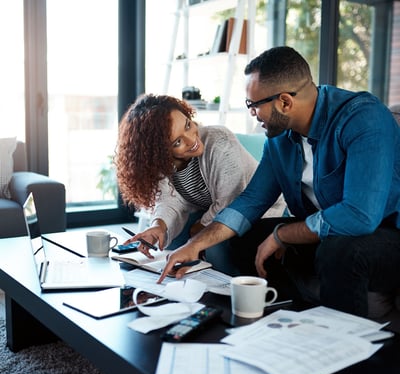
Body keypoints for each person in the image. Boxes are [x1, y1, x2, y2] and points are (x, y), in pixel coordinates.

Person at [160, 46, 400, 318]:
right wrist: (195, 245)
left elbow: (360, 216)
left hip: (386, 235)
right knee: (240, 239)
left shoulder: (363, 119)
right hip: (325, 233)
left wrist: (282, 235)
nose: (251, 113)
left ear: (285, 102)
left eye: (253, 105)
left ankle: (343, 345)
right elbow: (251, 201)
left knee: (339, 250)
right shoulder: (280, 139)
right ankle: (282, 317)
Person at [115, 93, 258, 275]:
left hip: (254, 213)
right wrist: (158, 226)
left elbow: (230, 202)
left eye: (188, 125)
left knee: (212, 248)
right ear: (161, 153)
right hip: (211, 213)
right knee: (168, 246)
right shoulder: (163, 163)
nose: (192, 140)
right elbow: (170, 201)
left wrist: (197, 232)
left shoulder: (220, 141)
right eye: (178, 142)